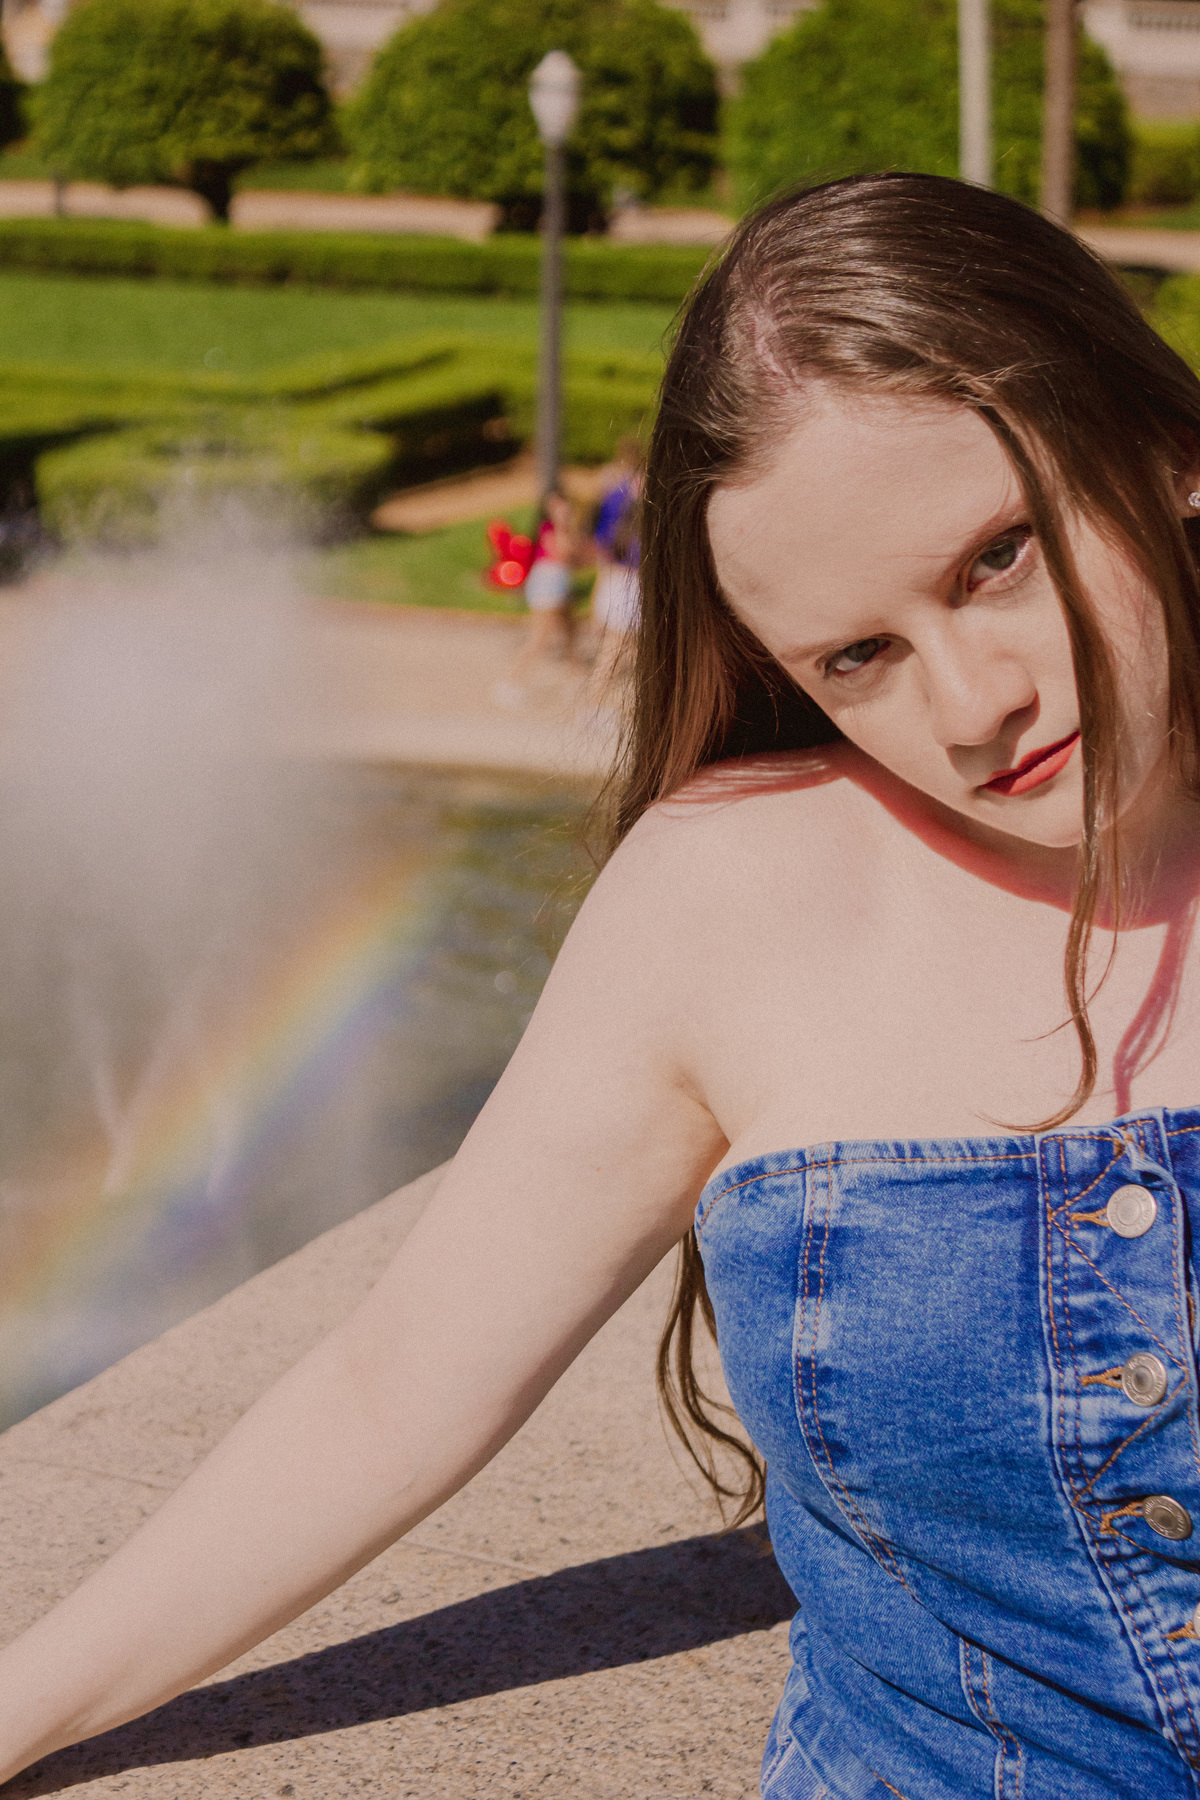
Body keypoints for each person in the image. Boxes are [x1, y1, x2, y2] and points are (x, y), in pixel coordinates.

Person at [7, 170, 1200, 1797]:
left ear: (1163, 448)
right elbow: (393, 1386)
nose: (978, 699)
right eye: (859, 658)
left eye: (997, 558)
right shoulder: (729, 898)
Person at [493, 490, 580, 706]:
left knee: (571, 633)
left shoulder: (566, 529)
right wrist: (562, 527)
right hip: (547, 585)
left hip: (560, 584)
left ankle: (574, 679)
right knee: (540, 637)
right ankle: (510, 681)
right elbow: (564, 554)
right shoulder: (548, 528)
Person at [590, 438, 643, 678]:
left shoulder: (613, 492)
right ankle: (593, 705)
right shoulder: (634, 494)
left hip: (617, 572)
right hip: (630, 576)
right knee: (616, 648)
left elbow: (602, 538)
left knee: (628, 647)